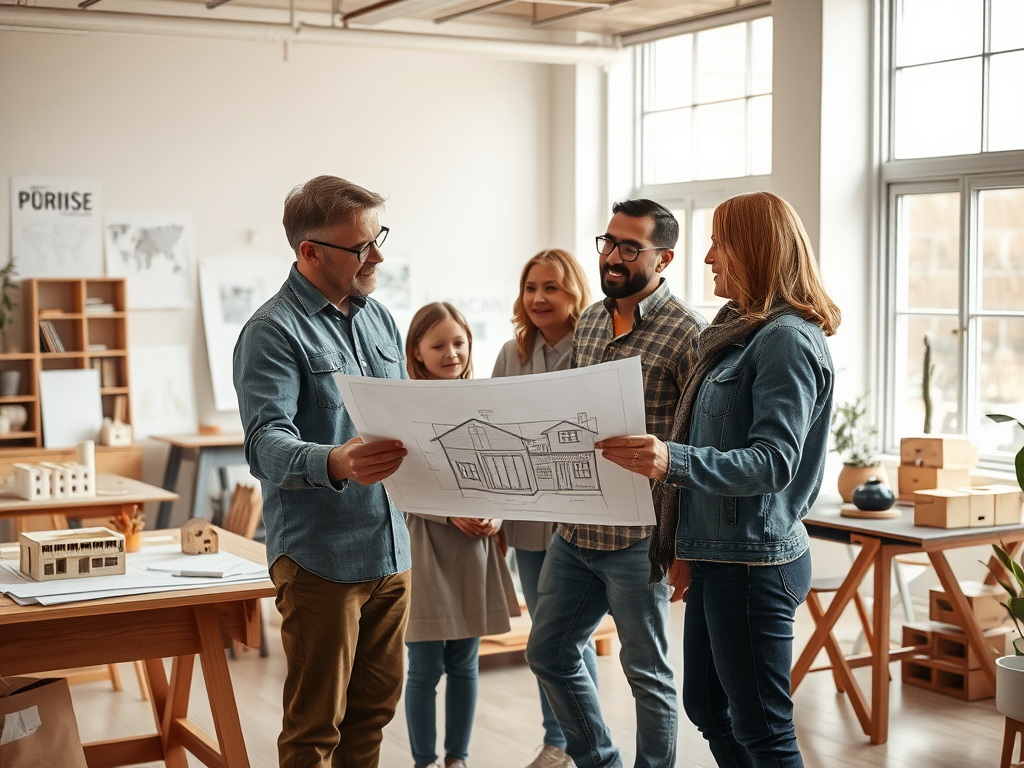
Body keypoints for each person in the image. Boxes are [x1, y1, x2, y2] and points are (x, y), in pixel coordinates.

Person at [597, 191, 841, 768]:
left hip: (756, 562)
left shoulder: (785, 340)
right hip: (718, 555)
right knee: (708, 707)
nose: (707, 258)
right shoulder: (737, 331)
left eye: (719, 243)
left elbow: (773, 462)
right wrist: (686, 546)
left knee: (763, 730)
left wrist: (670, 460)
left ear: (755, 251)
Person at [233, 175, 411, 768]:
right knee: (315, 730)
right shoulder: (273, 330)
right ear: (310, 251)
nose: (378, 255)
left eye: (378, 237)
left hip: (391, 552)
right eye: (362, 246)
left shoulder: (380, 318)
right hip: (321, 560)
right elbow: (265, 446)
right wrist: (335, 460)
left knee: (373, 716)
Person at [525, 200, 705, 768]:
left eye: (630, 247)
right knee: (549, 654)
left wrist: (684, 548)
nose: (612, 257)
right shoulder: (594, 321)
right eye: (608, 242)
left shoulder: (688, 335)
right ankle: (599, 762)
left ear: (664, 257)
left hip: (640, 540)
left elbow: (695, 452)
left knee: (647, 674)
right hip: (576, 532)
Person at [404, 301, 521, 768]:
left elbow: (508, 472)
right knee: (425, 668)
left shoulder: (484, 401)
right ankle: (424, 762)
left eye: (459, 342)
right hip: (426, 550)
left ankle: (458, 760)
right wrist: (450, 516)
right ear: (416, 350)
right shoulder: (403, 405)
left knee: (465, 665)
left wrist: (498, 515)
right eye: (438, 345)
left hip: (476, 550)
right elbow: (396, 486)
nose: (451, 352)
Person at [491, 249, 595, 768]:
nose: (538, 298)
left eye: (551, 287)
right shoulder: (513, 352)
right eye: (531, 287)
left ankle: (583, 746)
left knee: (572, 638)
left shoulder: (595, 346)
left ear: (574, 291)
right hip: (529, 517)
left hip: (584, 518)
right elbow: (492, 428)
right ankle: (559, 741)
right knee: (548, 638)